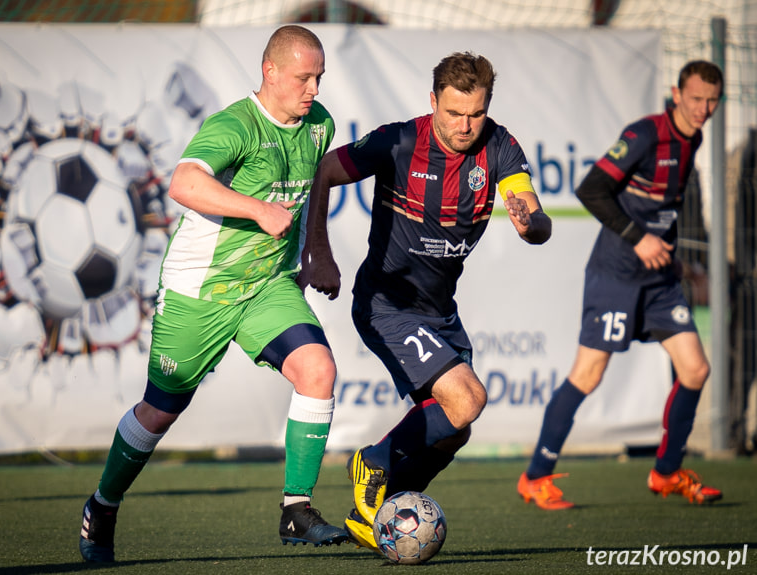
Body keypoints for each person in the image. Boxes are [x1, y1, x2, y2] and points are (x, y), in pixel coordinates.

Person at [78, 24, 349, 562]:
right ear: (270, 72)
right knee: (159, 412)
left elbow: (317, 182)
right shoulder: (234, 125)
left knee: (318, 370)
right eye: (303, 77)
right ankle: (104, 503)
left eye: (319, 77)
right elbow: (183, 183)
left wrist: (317, 249)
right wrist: (257, 209)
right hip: (199, 291)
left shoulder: (319, 124)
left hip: (267, 286)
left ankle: (296, 510)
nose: (314, 89)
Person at [301, 51, 552, 551]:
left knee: (453, 431)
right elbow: (326, 169)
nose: (465, 125)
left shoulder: (499, 146)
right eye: (454, 112)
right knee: (467, 399)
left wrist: (531, 221)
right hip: (385, 305)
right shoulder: (400, 140)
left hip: (440, 313)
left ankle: (375, 512)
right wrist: (319, 252)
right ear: (433, 101)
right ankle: (373, 461)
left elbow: (534, 215)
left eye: (476, 114)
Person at [517, 60, 725, 510]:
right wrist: (640, 238)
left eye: (712, 100)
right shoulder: (646, 134)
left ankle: (666, 472)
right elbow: (590, 189)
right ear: (676, 93)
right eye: (695, 99)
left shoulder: (697, 138)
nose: (703, 109)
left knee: (695, 369)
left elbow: (664, 210)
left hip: (659, 279)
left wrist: (678, 259)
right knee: (588, 375)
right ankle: (535, 477)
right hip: (615, 274)